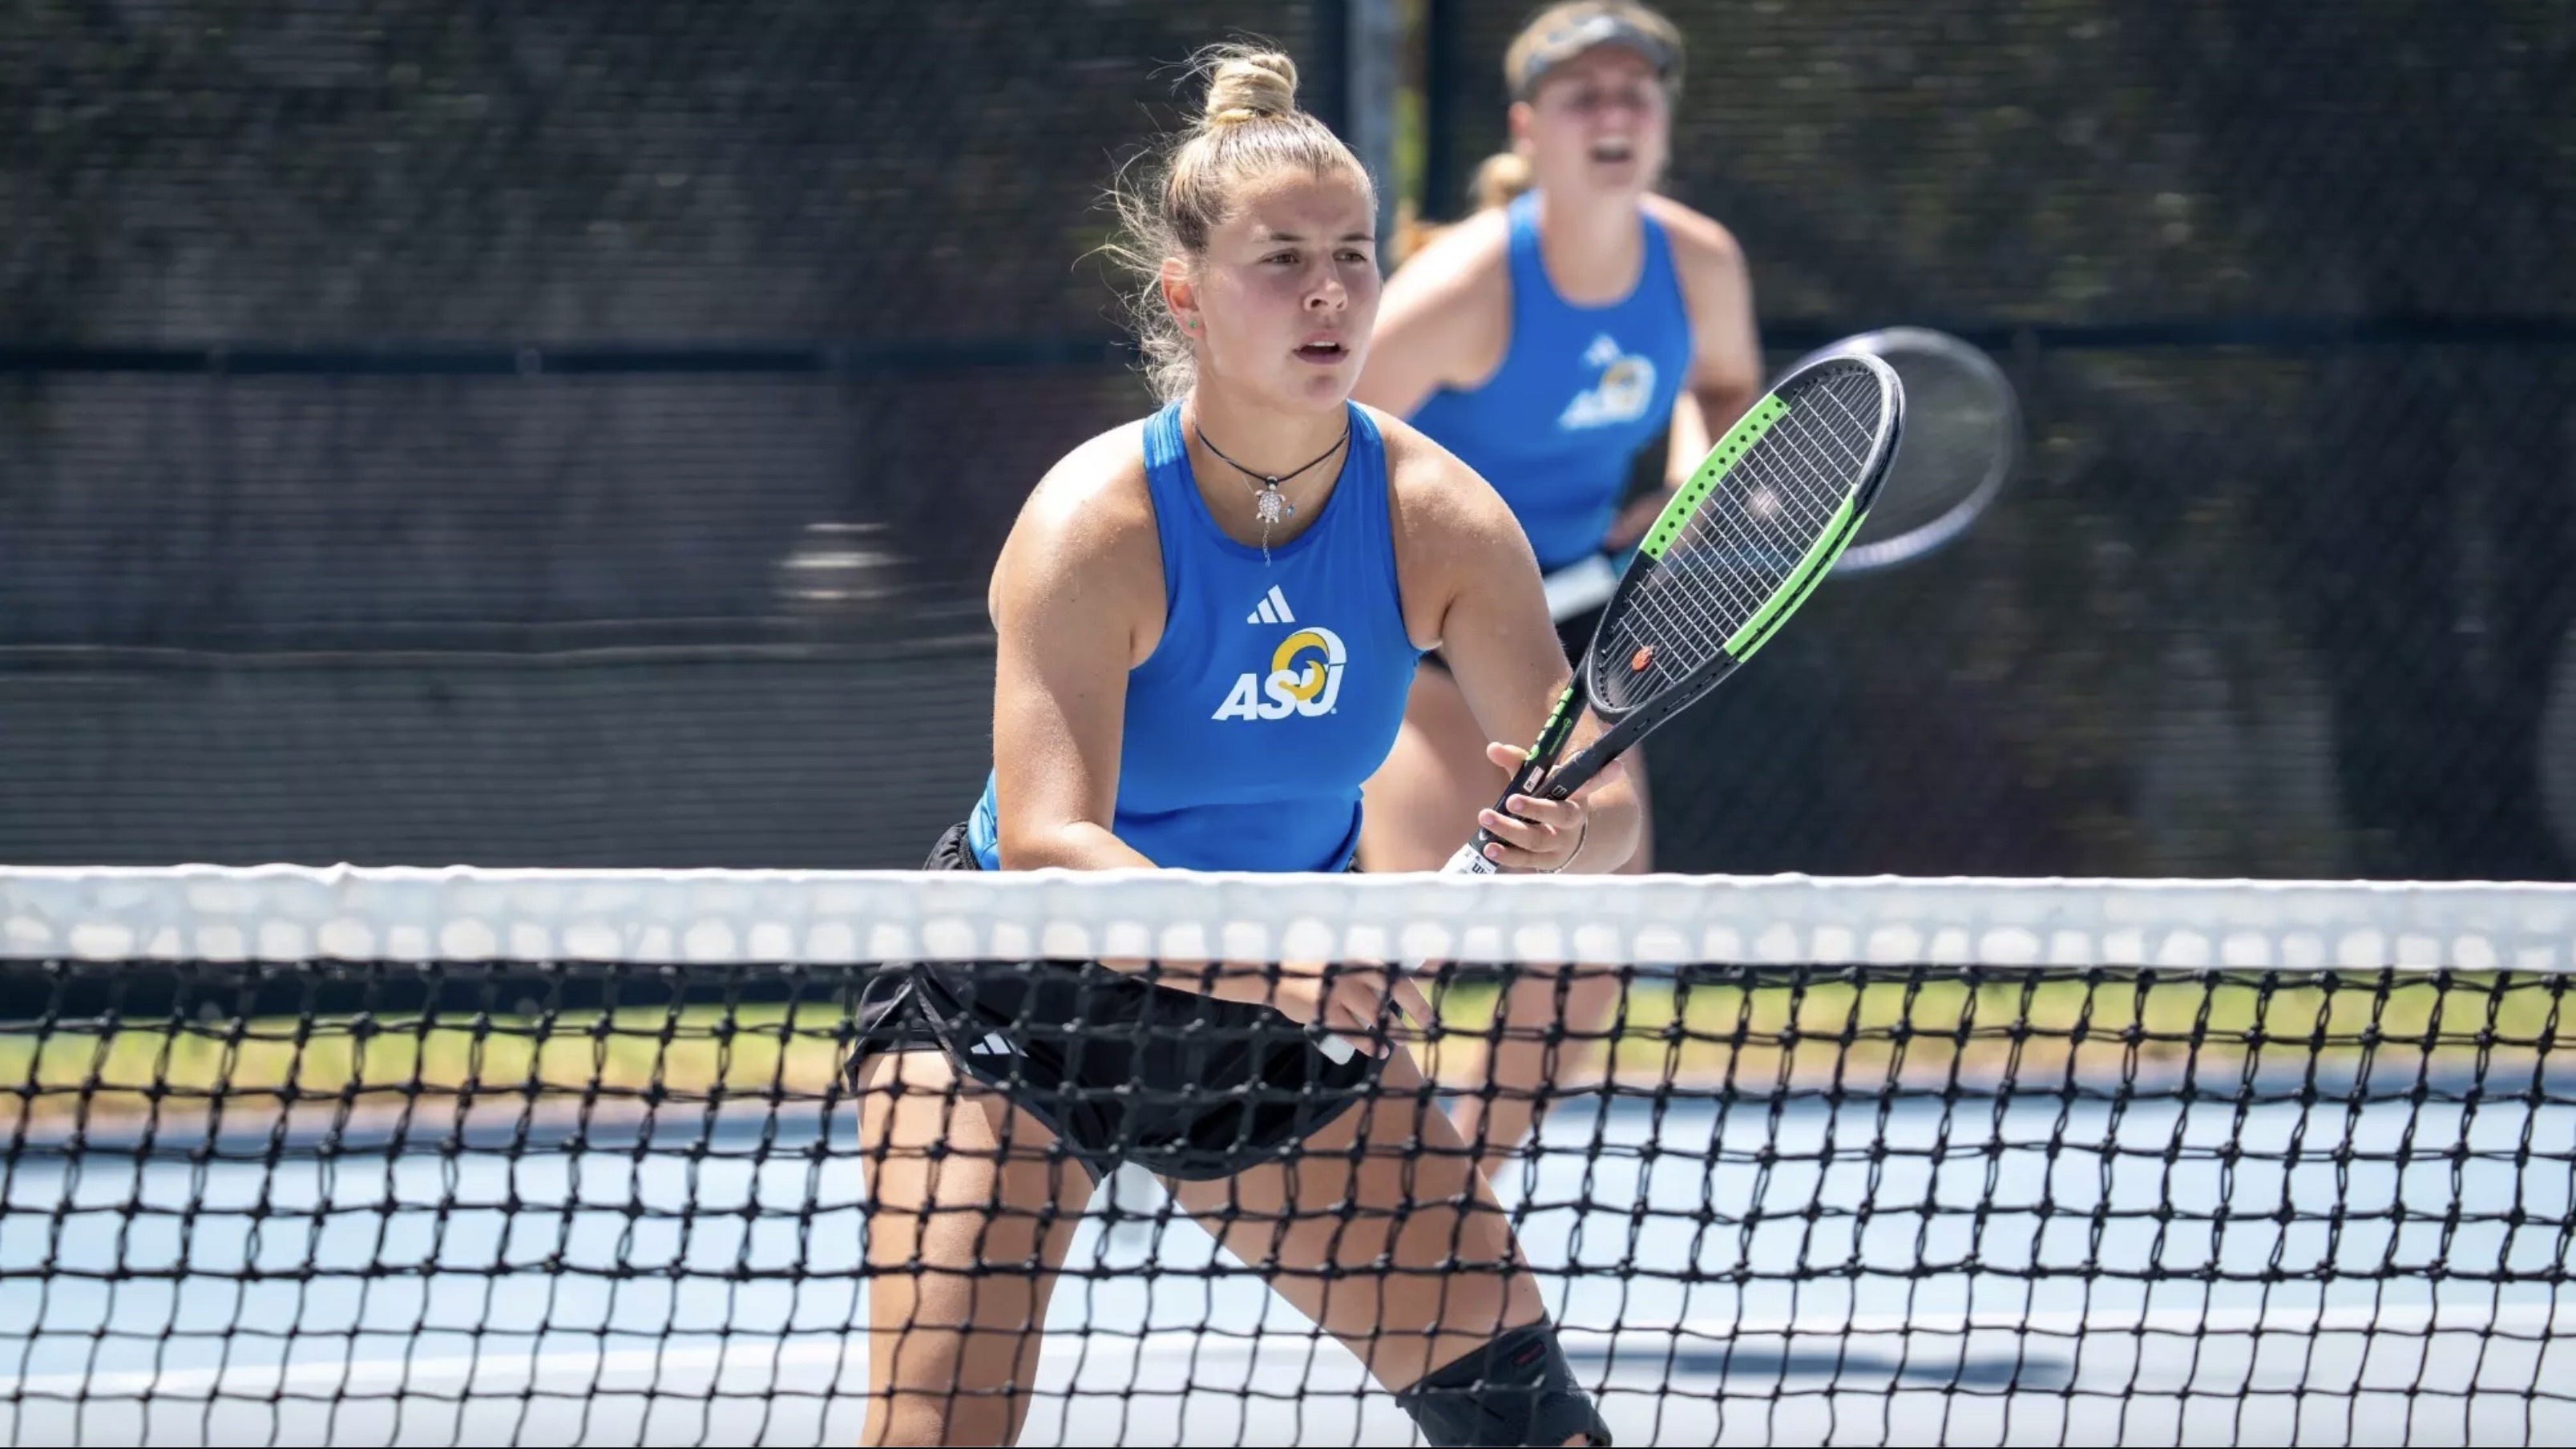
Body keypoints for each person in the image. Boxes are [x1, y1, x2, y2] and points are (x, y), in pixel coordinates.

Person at [847, 45, 1641, 1449]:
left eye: (1353, 253)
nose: (1329, 289)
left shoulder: (1441, 518)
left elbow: (1589, 794)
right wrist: (1277, 960)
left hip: (1281, 1036)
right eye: (1281, 259)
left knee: (1539, 1433)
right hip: (1014, 1014)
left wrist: (1563, 834)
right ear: (1187, 295)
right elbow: (1046, 843)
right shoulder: (1091, 524)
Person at [1352, 0, 1765, 1177]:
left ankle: (1445, 1201)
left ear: (1661, 123)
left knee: (1591, 942)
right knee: (1416, 941)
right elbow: (1316, 436)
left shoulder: (1697, 262)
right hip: (1416, 621)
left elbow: (1730, 397)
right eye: (1582, 95)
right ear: (1530, 132)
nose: (1613, 112)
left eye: (1634, 91)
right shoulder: (1472, 284)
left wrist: (1694, 498)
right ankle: (1316, 1153)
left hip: (1574, 619)